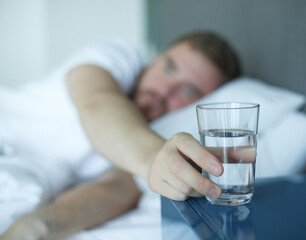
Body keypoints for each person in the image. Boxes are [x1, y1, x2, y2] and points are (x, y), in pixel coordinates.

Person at [0, 32, 241, 239]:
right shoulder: (118, 57)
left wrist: (34, 227)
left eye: (187, 90)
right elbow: (97, 103)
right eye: (168, 68)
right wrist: (156, 159)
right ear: (154, 59)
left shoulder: (152, 136)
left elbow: (115, 191)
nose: (165, 90)